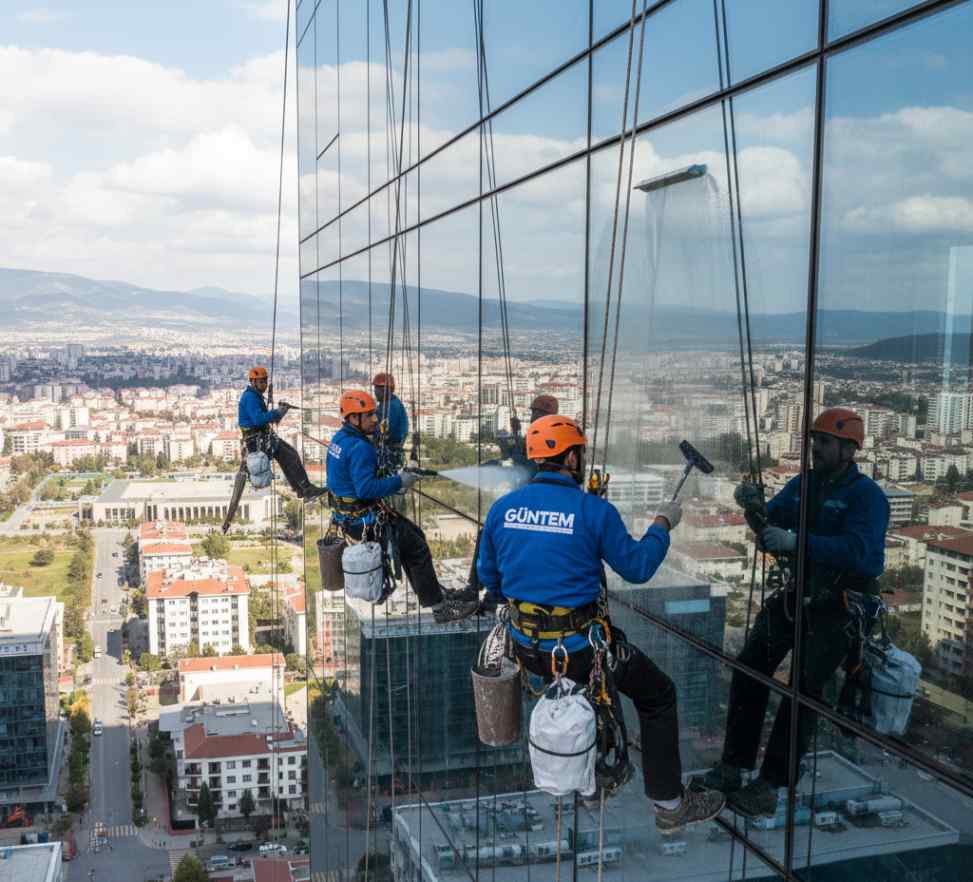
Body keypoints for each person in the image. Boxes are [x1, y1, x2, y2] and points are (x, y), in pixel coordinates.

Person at [476, 414, 726, 831]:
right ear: (571, 456)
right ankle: (669, 803)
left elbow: (489, 578)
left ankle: (593, 785)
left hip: (528, 650)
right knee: (657, 694)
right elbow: (639, 566)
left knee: (592, 694)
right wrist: (663, 524)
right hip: (580, 650)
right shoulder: (593, 511)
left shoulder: (504, 508)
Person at [704, 407, 890, 817]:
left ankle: (770, 785)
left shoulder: (866, 497)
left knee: (804, 687)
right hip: (801, 594)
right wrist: (756, 512)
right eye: (814, 441)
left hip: (842, 604)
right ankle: (733, 766)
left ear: (847, 449)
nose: (815, 449)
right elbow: (775, 521)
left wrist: (795, 541)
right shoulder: (804, 484)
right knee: (751, 663)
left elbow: (859, 551)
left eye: (823, 442)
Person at [327, 389, 478, 624]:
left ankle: (436, 595)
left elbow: (355, 483)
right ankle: (440, 609)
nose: (375, 420)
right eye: (369, 416)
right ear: (353, 418)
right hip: (364, 521)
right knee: (415, 546)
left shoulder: (339, 440)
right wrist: (399, 481)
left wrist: (396, 481)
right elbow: (365, 489)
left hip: (350, 518)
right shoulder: (360, 448)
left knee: (412, 536)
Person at [238, 366, 325, 502]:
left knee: (289, 459)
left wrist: (278, 413)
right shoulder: (250, 397)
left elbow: (261, 419)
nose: (264, 385)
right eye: (261, 382)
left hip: (259, 437)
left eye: (265, 381)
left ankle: (302, 490)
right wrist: (277, 413)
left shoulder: (254, 396)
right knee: (291, 457)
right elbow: (258, 419)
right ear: (253, 382)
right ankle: (306, 490)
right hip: (257, 439)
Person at [373, 372, 409, 469]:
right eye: (375, 388)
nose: (375, 392)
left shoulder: (390, 407)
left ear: (387, 390)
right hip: (392, 451)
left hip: (390, 453)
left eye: (378, 389)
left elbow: (383, 431)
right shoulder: (389, 403)